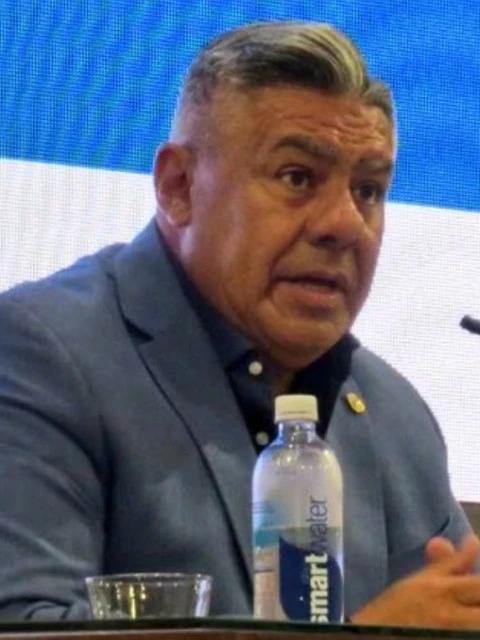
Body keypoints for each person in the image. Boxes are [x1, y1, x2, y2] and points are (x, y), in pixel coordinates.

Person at [0, 20, 479, 627]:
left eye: (368, 190)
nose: (345, 225)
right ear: (178, 187)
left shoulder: (395, 415)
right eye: (297, 178)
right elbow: (25, 624)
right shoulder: (38, 355)